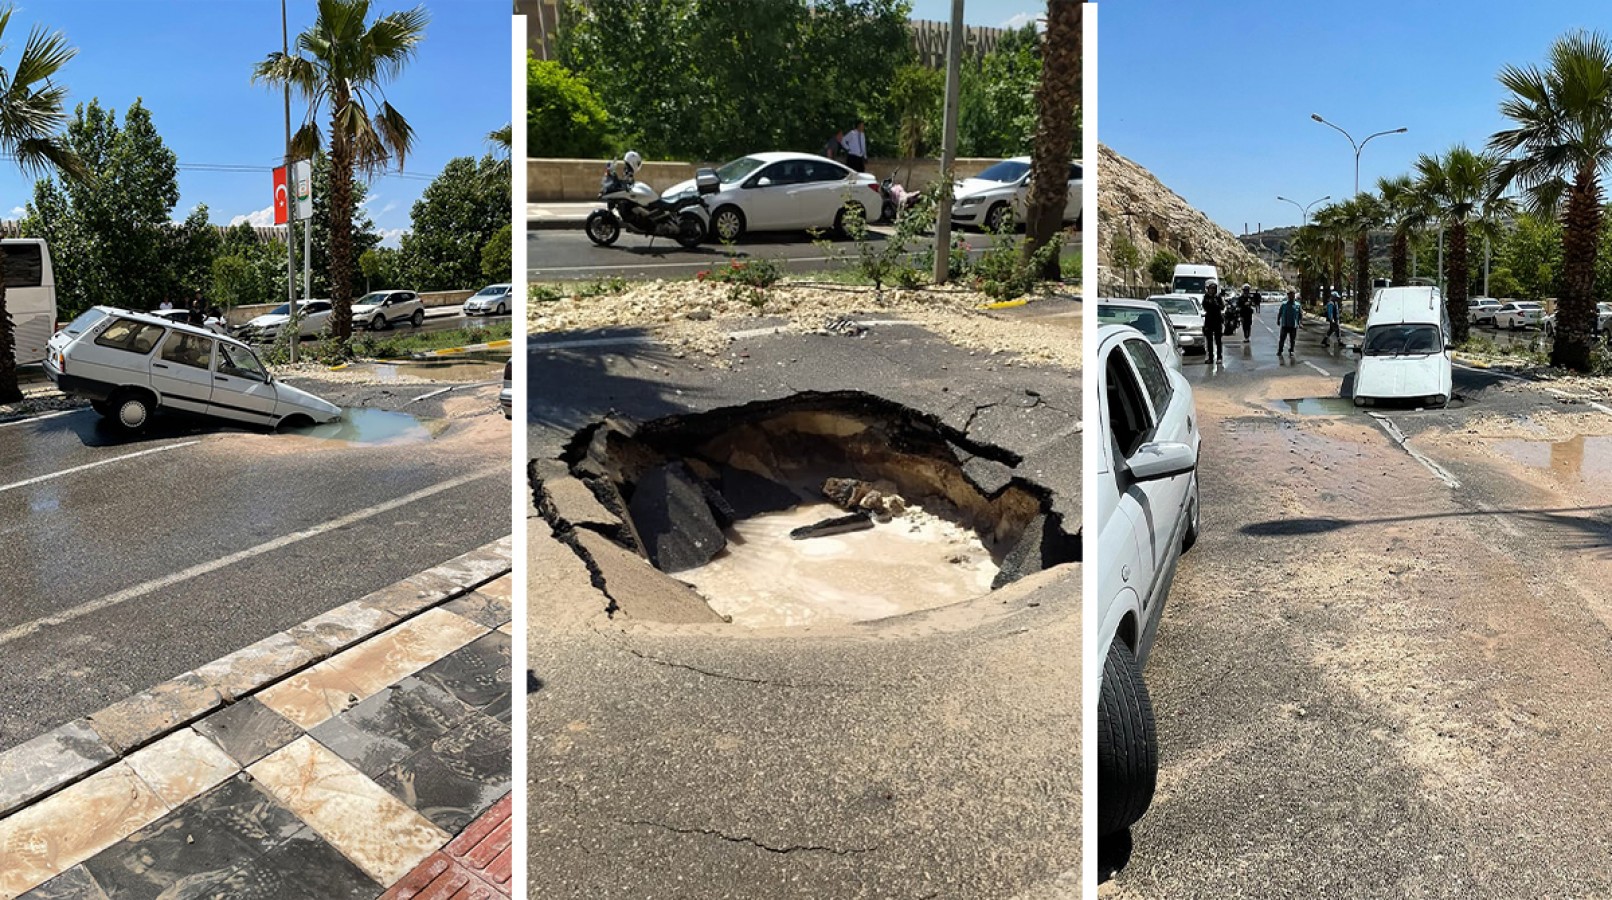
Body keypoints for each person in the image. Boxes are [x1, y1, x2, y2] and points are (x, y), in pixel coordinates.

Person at [1201, 280, 1226, 362]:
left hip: (1217, 320)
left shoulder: (1218, 297)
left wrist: (1216, 304)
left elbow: (1222, 307)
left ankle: (1219, 357)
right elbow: (1205, 307)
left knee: (1218, 340)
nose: (1212, 290)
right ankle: (1210, 358)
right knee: (1209, 341)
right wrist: (1210, 303)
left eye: (1214, 288)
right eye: (1211, 288)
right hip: (1209, 320)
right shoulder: (1206, 297)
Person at [1277, 290, 1304, 355]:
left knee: (1292, 339)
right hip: (1285, 324)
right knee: (1282, 338)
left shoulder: (1297, 305)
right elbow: (1280, 312)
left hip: (1293, 325)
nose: (1292, 296)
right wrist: (1278, 320)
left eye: (1293, 295)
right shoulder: (1284, 304)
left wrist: (1300, 322)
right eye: (1290, 295)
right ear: (1288, 296)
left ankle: (1291, 350)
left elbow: (1300, 314)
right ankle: (1280, 350)